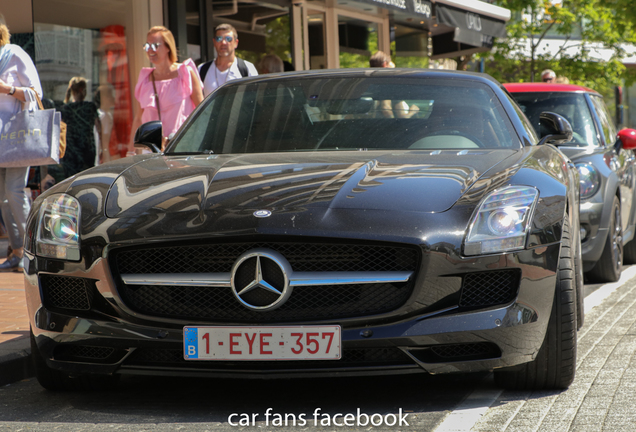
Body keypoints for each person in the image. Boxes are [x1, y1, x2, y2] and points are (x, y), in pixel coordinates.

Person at [0, 14, 43, 272]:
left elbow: (36, 94)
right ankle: (17, 252)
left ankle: (35, 251)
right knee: (2, 199)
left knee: (14, 192)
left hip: (16, 135)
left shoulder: (14, 54)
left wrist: (7, 90)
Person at [130, 26, 204, 153]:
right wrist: (131, 150)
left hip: (181, 147)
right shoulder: (145, 79)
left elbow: (202, 112)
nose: (150, 50)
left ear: (168, 47)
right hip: (151, 150)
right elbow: (138, 118)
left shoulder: (185, 73)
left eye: (155, 45)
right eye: (147, 46)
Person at [198, 23, 258, 97]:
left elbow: (254, 98)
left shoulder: (247, 68)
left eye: (228, 39)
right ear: (214, 42)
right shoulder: (202, 69)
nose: (223, 42)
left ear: (236, 43)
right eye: (219, 38)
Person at [369, 51, 418, 119]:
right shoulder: (387, 87)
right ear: (385, 64)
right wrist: (413, 111)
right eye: (393, 69)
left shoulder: (368, 85)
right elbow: (386, 108)